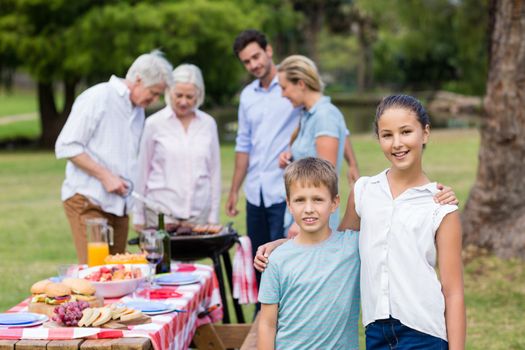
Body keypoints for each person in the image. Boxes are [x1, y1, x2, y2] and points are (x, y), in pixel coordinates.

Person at [338, 94, 466, 349]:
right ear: (379, 138)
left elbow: (453, 293)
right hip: (375, 332)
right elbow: (335, 247)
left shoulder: (440, 206)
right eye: (387, 135)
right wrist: (283, 246)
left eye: (406, 132)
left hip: (424, 334)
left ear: (425, 133)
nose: (397, 143)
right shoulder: (364, 191)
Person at [55, 51, 173, 264]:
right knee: (97, 272)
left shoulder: (137, 111)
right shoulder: (98, 96)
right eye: (153, 93)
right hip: (88, 200)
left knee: (120, 275)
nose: (154, 100)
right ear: (138, 80)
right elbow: (66, 145)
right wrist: (105, 176)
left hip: (119, 206)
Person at [258, 157, 360, 350]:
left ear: (334, 202)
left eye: (318, 199)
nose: (309, 209)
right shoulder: (276, 260)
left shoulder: (352, 247)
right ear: (289, 204)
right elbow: (267, 324)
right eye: (299, 200)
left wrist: (433, 195)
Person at [226, 29, 300, 288]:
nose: (254, 64)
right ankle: (261, 322)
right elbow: (243, 144)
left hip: (283, 190)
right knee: (259, 262)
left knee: (283, 261)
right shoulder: (247, 96)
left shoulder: (293, 83)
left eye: (257, 56)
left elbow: (317, 117)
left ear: (268, 51)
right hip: (255, 192)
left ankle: (286, 321)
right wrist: (235, 189)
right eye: (247, 61)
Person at [276, 54, 359, 235]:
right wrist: (291, 160)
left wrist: (300, 224)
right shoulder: (307, 114)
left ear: (301, 84)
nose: (282, 94)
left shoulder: (324, 116)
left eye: (284, 88)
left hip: (313, 223)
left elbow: (324, 177)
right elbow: (342, 135)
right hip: (305, 216)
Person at [132, 64, 220, 230]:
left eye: (190, 96)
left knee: (195, 256)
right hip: (160, 211)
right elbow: (142, 170)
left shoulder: (208, 124)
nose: (183, 102)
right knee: (160, 257)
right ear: (169, 92)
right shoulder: (154, 124)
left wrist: (213, 216)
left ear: (198, 96)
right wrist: (138, 215)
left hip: (198, 213)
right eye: (178, 95)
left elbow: (214, 172)